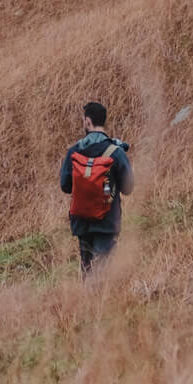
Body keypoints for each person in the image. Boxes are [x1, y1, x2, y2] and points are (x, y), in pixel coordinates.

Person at [59, 101, 133, 274]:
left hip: (82, 222)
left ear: (87, 121)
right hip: (107, 222)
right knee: (103, 270)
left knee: (87, 269)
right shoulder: (116, 151)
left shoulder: (74, 152)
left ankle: (87, 299)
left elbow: (65, 186)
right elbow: (128, 188)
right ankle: (100, 300)